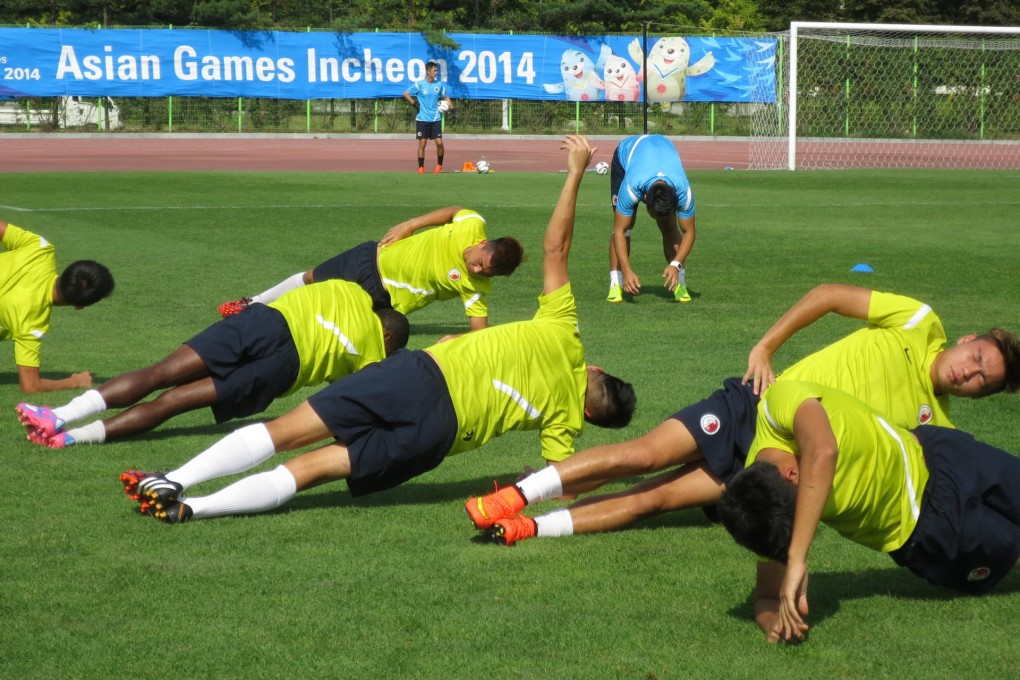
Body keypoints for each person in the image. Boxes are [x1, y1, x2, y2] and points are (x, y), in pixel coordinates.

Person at [120, 135, 636, 525]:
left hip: (417, 374)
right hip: (438, 434)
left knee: (287, 431)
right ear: (590, 412)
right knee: (319, 466)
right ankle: (200, 510)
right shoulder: (566, 422)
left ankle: (176, 480)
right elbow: (563, 482)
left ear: (595, 368)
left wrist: (573, 173)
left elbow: (555, 250)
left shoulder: (565, 331)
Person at [466, 283, 1020, 545]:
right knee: (640, 457)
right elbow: (828, 295)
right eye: (976, 360)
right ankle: (512, 496)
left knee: (653, 500)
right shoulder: (920, 321)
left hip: (770, 465)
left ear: (980, 397)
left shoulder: (934, 430)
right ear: (967, 340)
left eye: (981, 383)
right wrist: (766, 347)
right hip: (754, 406)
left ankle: (526, 527)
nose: (969, 374)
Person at [719, 380, 1020, 643]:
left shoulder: (777, 405)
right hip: (925, 528)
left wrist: (797, 558)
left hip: (938, 453)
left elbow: (823, 450)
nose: (810, 515)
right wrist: (774, 620)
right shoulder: (762, 517)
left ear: (790, 474)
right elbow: (765, 599)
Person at [17, 280, 409, 448]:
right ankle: (70, 438)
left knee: (160, 372)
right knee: (173, 402)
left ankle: (60, 416)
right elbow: (349, 402)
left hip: (265, 323)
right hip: (283, 368)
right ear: (388, 338)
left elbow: (305, 277)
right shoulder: (374, 357)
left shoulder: (351, 290)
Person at [216, 207, 523, 333]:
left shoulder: (475, 286)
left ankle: (264, 327)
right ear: (483, 244)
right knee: (311, 278)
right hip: (370, 259)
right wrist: (410, 224)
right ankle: (253, 302)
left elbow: (478, 329)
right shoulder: (472, 225)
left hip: (381, 297)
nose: (477, 270)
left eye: (485, 273)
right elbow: (454, 211)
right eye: (480, 263)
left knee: (322, 318)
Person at [0, 219, 114, 394]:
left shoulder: (41, 250)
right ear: (80, 306)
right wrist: (73, 382)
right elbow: (30, 386)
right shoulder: (32, 323)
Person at [604, 134, 696, 304]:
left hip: (662, 150)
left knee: (669, 226)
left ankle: (680, 283)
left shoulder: (683, 191)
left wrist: (676, 265)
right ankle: (615, 283)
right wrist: (627, 270)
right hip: (626, 155)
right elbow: (619, 231)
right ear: (645, 198)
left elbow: (689, 232)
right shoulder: (631, 186)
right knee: (626, 226)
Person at [403, 61, 452, 174]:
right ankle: (421, 167)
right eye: (434, 70)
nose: (436, 73)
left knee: (439, 143)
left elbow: (446, 97)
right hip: (422, 119)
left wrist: (452, 109)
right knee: (422, 143)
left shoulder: (439, 85)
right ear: (427, 71)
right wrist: (414, 103)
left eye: (437, 70)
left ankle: (439, 165)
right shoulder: (419, 85)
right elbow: (406, 93)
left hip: (435, 119)